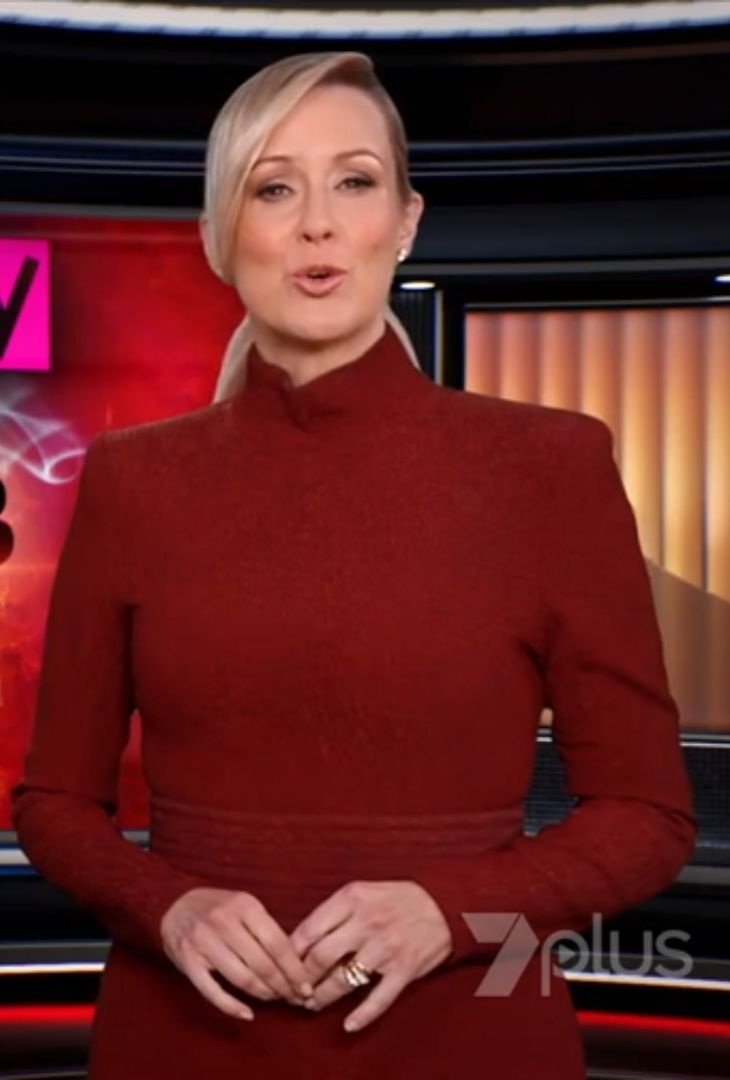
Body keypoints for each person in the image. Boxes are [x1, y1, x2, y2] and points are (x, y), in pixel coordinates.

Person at [11, 50, 697, 1079]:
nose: (317, 225)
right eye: (273, 189)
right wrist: (167, 907)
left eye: (355, 181)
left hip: (472, 1033)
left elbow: (647, 817)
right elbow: (53, 803)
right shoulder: (132, 478)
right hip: (184, 1040)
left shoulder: (549, 465)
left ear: (406, 222)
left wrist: (451, 912)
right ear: (217, 236)